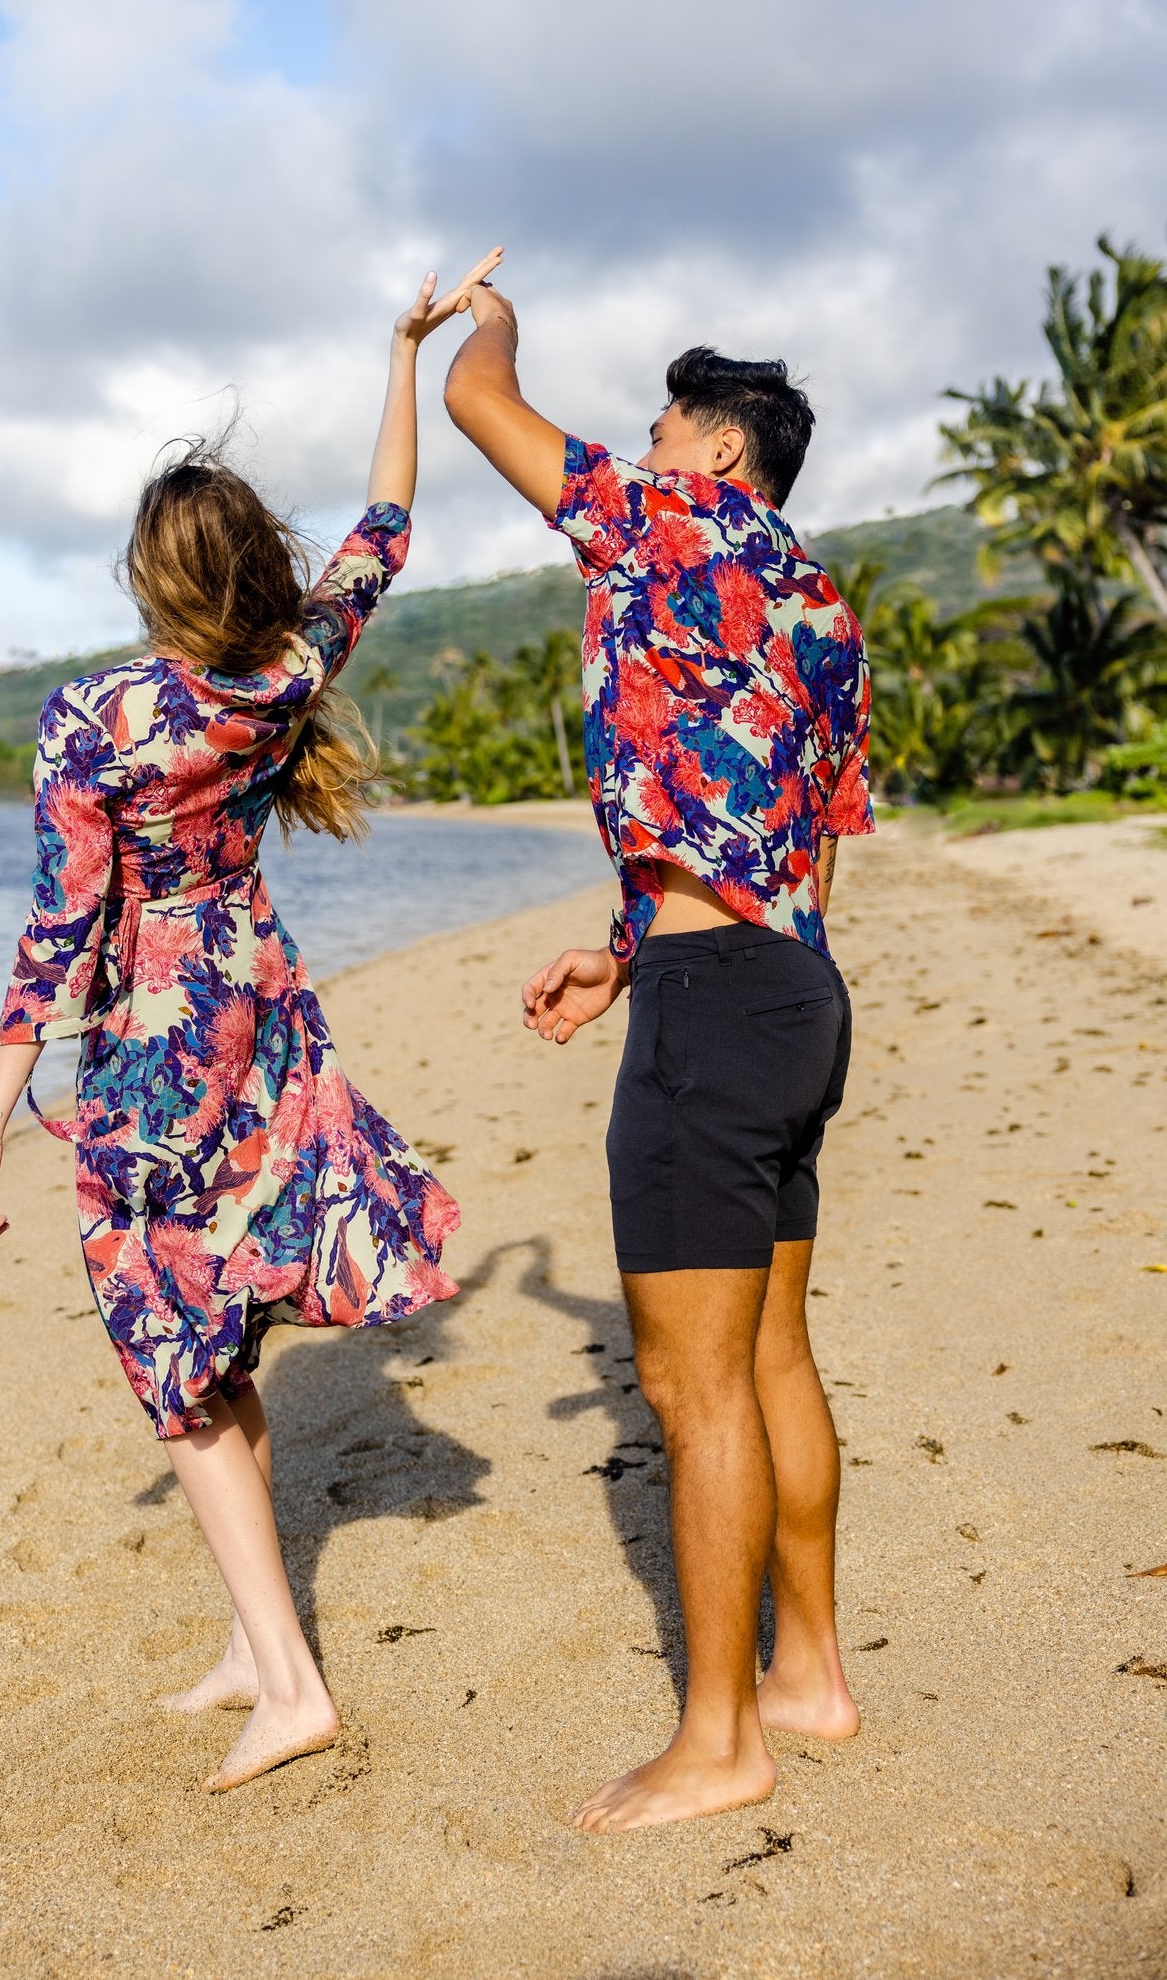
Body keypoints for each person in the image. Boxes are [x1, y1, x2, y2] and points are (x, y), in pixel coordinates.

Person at [0, 249, 501, 1793]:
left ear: (153, 583)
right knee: (218, 1344)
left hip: (151, 1068)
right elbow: (389, 520)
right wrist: (403, 353)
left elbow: (55, 938)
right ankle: (259, 1651)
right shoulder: (288, 672)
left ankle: (295, 1686)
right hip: (258, 1027)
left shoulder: (96, 721)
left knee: (174, 1365)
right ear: (255, 569)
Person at [446, 295, 874, 1832]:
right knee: (773, 1359)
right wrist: (625, 950)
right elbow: (781, 831)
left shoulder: (669, 521)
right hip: (793, 988)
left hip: (715, 1009)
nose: (641, 448)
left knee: (694, 1393)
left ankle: (719, 1740)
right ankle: (806, 1676)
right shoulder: (820, 606)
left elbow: (479, 406)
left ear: (721, 451)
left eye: (662, 427)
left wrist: (487, 324)